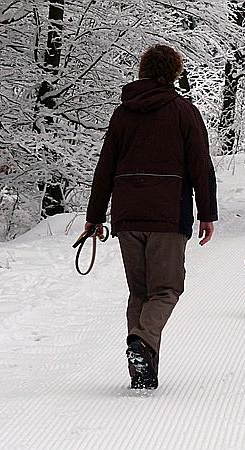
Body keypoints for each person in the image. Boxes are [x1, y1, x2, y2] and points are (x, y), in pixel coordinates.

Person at [85, 44, 218, 389]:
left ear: (144, 71)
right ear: (174, 73)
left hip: (128, 216)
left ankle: (142, 373)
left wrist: (95, 215)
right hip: (167, 216)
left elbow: (105, 168)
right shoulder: (184, 112)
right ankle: (142, 344)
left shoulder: (122, 114)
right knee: (166, 289)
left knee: (140, 291)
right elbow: (200, 167)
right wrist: (207, 213)